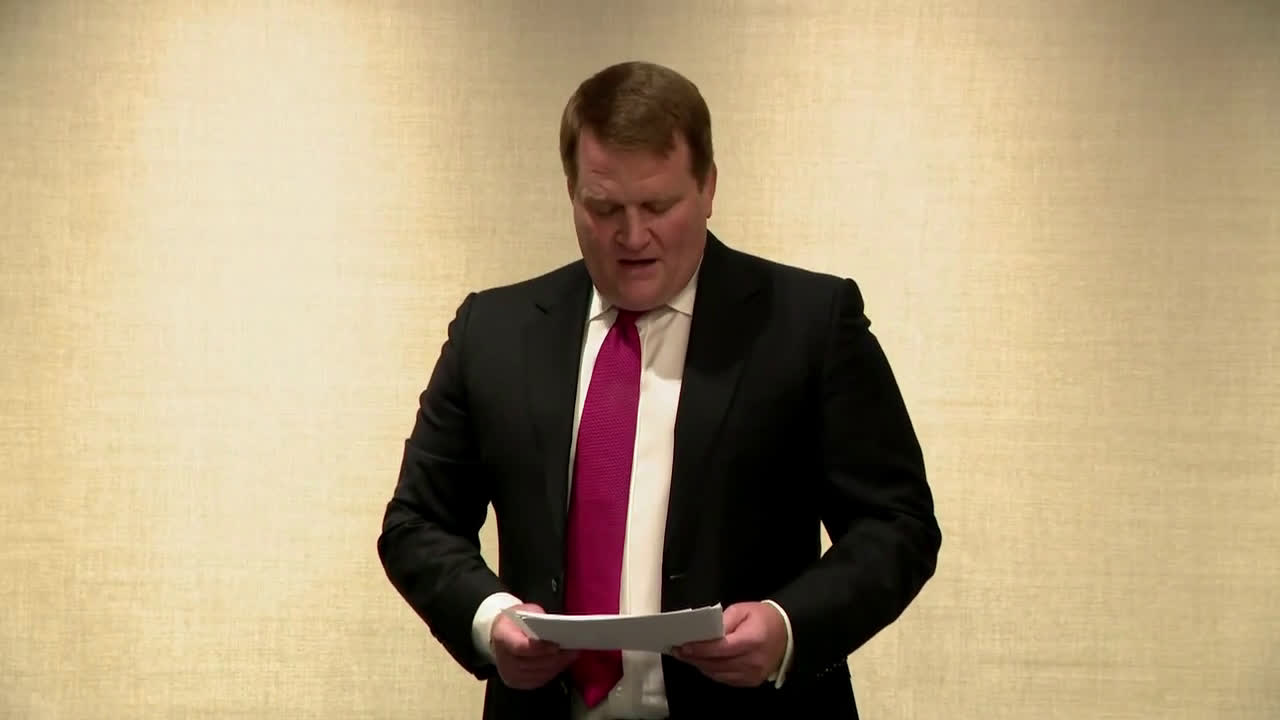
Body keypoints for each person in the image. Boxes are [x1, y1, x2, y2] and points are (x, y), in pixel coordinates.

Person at [377, 60, 941, 719]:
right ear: (572, 192)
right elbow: (417, 522)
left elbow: (896, 524)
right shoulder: (493, 333)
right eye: (604, 208)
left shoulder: (808, 325)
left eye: (658, 206)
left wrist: (788, 626)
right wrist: (490, 618)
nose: (632, 235)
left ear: (708, 187)